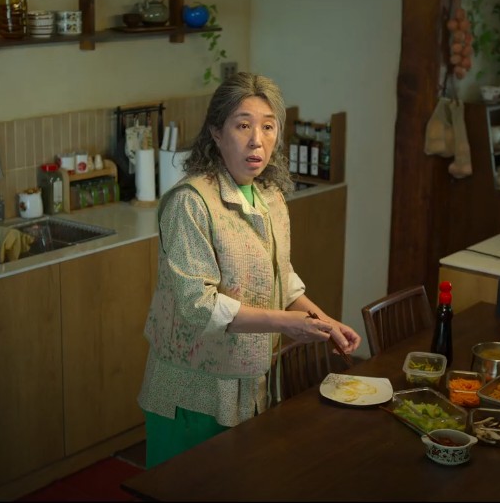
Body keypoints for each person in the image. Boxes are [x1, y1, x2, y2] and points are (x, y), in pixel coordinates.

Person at [136, 72, 362, 468]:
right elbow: (199, 305)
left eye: (268, 127)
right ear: (216, 133)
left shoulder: (270, 196)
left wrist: (325, 323)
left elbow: (281, 278)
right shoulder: (190, 203)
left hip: (251, 384)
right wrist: (286, 323)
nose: (257, 140)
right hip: (191, 393)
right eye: (243, 126)